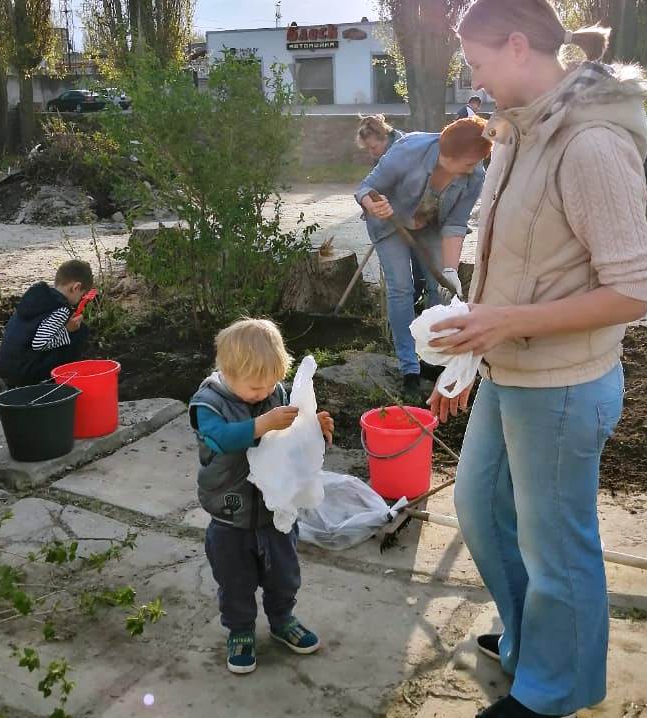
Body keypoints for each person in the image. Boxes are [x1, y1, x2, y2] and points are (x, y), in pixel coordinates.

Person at [431, 2, 647, 717]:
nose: (472, 79)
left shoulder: (588, 143)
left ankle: (551, 692)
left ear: (520, 45)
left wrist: (506, 321)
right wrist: (469, 354)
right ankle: (535, 639)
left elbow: (631, 292)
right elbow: (511, 264)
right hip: (508, 370)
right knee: (479, 507)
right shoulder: (517, 134)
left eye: (475, 62)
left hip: (564, 384)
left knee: (558, 545)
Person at [188, 318, 334, 675]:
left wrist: (317, 429)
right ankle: (240, 631)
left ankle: (282, 619)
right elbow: (220, 439)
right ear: (227, 371)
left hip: (275, 513)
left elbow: (295, 438)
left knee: (284, 575)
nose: (265, 392)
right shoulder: (208, 404)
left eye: (272, 383)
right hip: (230, 515)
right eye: (256, 387)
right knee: (235, 581)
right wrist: (261, 424)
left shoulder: (274, 393)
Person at [356, 117, 488, 395]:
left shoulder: (475, 175)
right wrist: (373, 205)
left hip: (429, 223)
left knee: (438, 290)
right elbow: (366, 188)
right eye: (469, 163)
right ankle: (409, 368)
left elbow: (455, 224)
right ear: (446, 154)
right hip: (389, 222)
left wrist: (449, 272)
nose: (474, 169)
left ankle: (430, 356)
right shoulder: (408, 150)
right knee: (402, 287)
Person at [356, 115, 428, 308]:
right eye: (368, 149)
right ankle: (414, 297)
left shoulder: (404, 148)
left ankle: (421, 295)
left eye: (373, 148)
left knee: (420, 255)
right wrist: (372, 205)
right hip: (396, 214)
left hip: (418, 210)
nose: (371, 153)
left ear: (384, 137)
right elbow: (378, 183)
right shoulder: (382, 155)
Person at [0, 260, 94, 387]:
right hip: (26, 374)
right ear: (76, 287)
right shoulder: (60, 309)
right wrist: (67, 330)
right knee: (80, 332)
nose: (80, 300)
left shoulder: (39, 298)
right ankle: (55, 380)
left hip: (8, 366)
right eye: (82, 295)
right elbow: (40, 343)